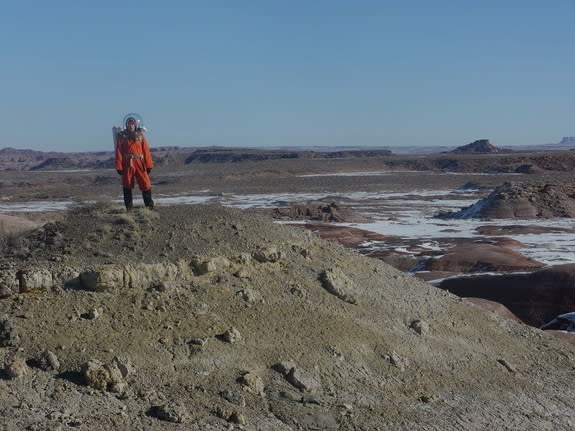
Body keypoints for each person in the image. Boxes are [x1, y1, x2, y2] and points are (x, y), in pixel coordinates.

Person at [114, 115, 154, 210]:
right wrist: (119, 166)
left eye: (132, 124)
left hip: (140, 162)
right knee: (127, 184)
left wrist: (149, 165)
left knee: (145, 183)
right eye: (129, 124)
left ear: (136, 125)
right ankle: (129, 207)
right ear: (126, 125)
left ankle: (149, 206)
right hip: (128, 163)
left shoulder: (140, 136)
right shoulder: (122, 136)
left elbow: (146, 151)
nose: (131, 126)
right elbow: (118, 152)